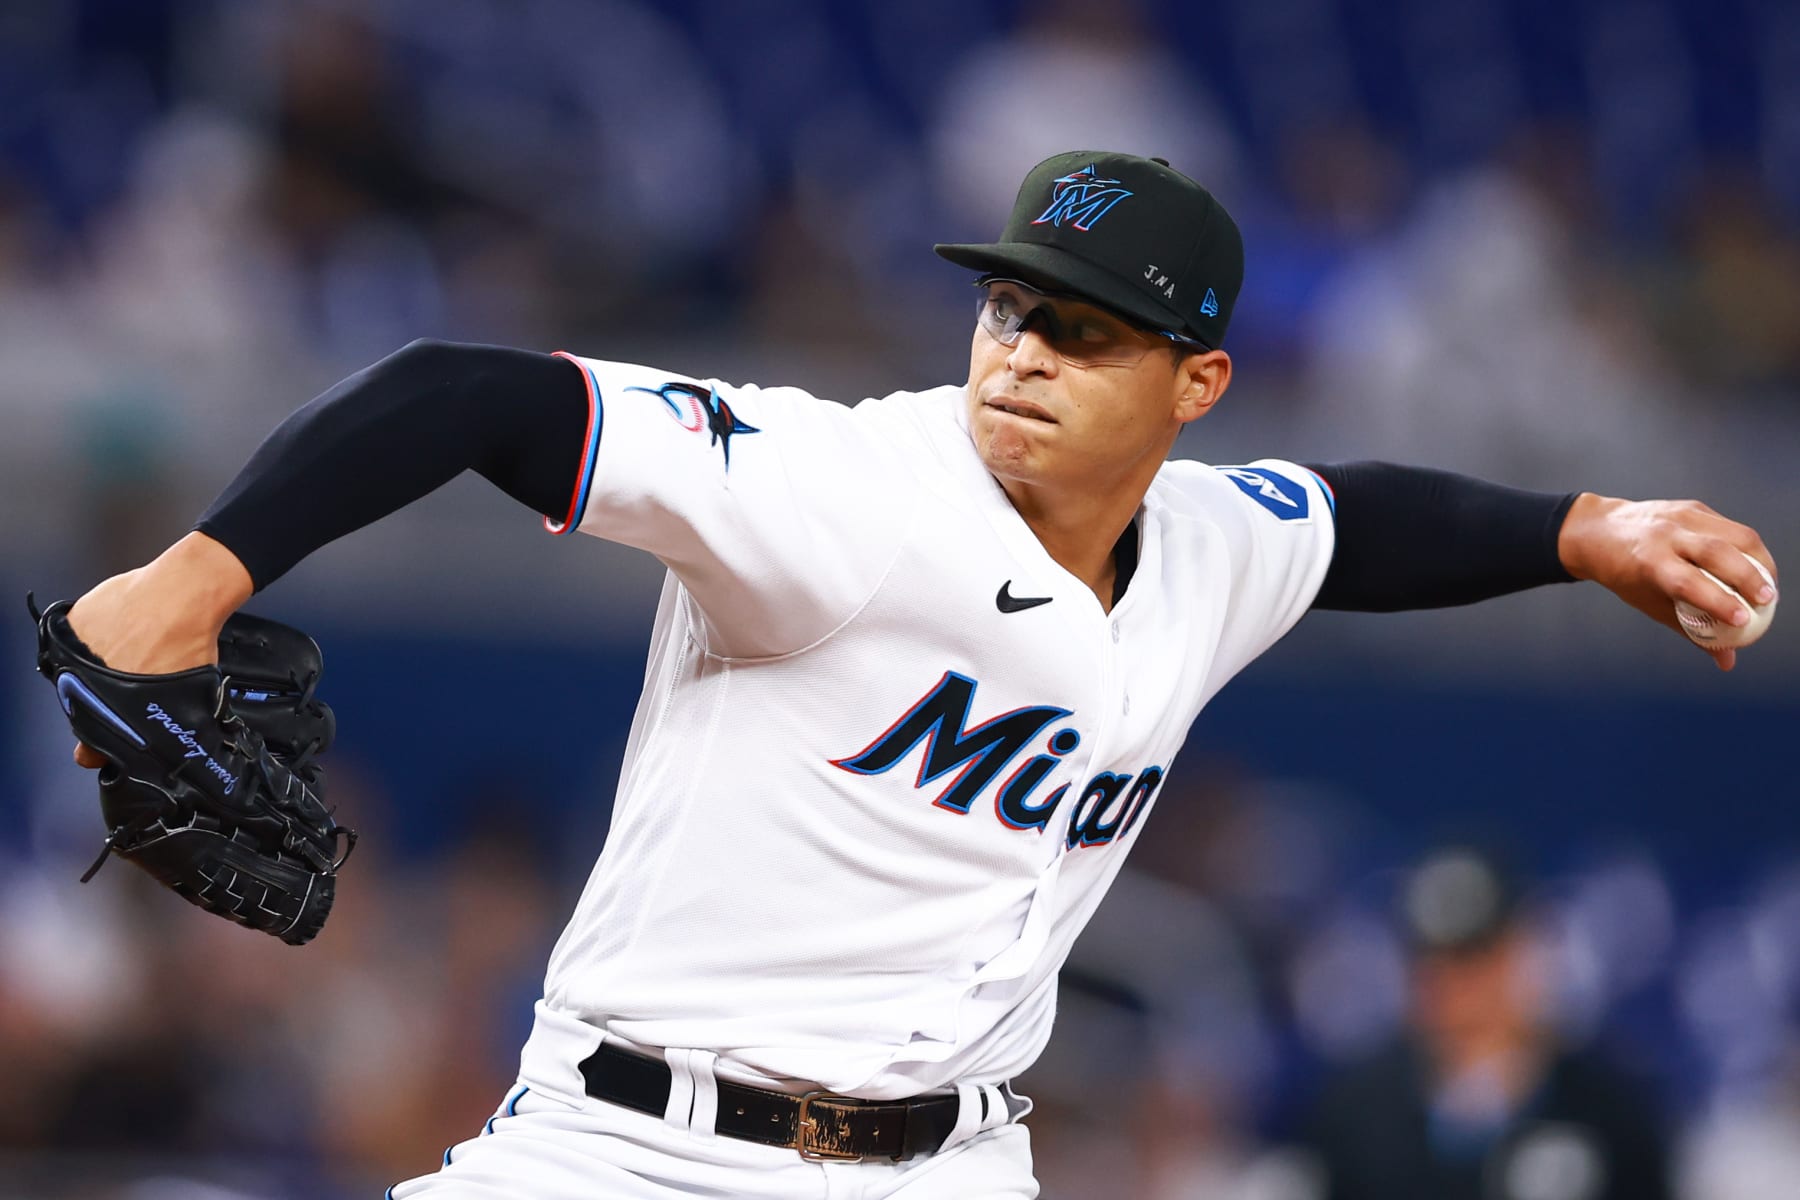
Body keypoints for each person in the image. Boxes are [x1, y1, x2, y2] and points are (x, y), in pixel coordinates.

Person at [54, 151, 1774, 1199]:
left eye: (1084, 333)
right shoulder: (847, 489)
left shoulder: (1210, 544)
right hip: (636, 1156)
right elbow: (468, 392)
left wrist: (1585, 525)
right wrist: (191, 581)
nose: (1022, 354)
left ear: (1198, 383)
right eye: (1008, 310)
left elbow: (1357, 520)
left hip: (953, 1164)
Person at [1298, 845, 1675, 1200]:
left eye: (1475, 957)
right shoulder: (1357, 1117)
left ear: (1525, 951)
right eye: (1431, 961)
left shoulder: (1607, 1109)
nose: (1454, 987)